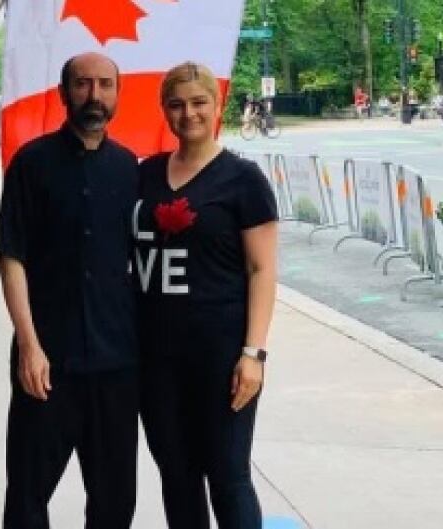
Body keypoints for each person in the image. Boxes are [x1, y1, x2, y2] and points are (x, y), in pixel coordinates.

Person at [0, 52, 139, 529]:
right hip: (47, 364)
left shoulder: (130, 170)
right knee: (27, 500)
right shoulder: (31, 163)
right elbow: (10, 256)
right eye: (82, 84)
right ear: (63, 93)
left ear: (118, 94)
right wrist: (29, 347)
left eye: (104, 85)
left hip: (116, 367)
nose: (94, 95)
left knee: (114, 504)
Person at [133, 62, 278, 529]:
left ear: (217, 106)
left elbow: (262, 269)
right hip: (155, 358)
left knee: (228, 475)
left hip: (221, 357)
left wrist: (252, 353)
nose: (188, 113)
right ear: (164, 110)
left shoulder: (243, 179)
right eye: (176, 104)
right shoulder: (144, 175)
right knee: (176, 476)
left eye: (199, 102)